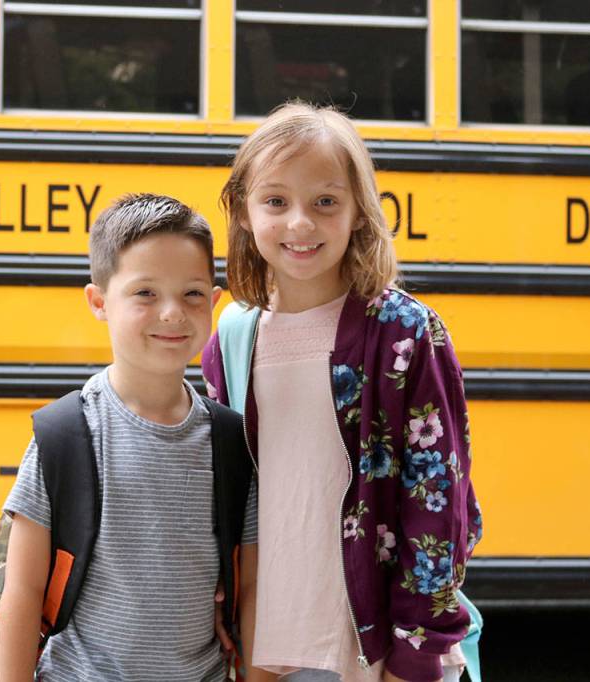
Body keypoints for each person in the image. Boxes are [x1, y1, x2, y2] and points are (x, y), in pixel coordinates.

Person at [203, 102, 484, 682]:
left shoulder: (402, 333)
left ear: (360, 211)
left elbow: (437, 498)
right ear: (245, 212)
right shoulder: (234, 334)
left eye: (325, 201)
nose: (300, 223)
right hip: (261, 644)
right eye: (276, 201)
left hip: (368, 647)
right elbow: (224, 493)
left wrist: (417, 652)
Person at [0, 193, 259, 681]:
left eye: (192, 294)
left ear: (215, 302)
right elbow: (24, 591)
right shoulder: (66, 434)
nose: (172, 314)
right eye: (145, 293)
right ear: (99, 301)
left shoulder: (228, 442)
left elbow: (251, 590)